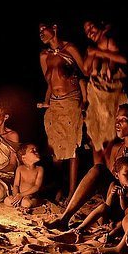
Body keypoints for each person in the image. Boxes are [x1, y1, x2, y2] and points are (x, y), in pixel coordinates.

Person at [45, 104, 128, 230]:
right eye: (117, 119)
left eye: (123, 120)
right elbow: (111, 177)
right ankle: (64, 219)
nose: (118, 123)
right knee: (98, 169)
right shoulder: (116, 148)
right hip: (115, 198)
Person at [37, 23, 86, 204]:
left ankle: (73, 191)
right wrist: (46, 101)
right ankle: (61, 185)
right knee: (55, 150)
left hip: (72, 99)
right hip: (55, 103)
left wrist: (85, 98)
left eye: (44, 29)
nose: (41, 34)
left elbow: (85, 72)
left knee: (71, 146)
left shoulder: (70, 48)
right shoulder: (44, 55)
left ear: (55, 27)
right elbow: (49, 81)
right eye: (39, 32)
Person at [82, 20, 128, 161]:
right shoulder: (92, 49)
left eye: (91, 26)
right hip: (97, 98)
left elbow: (123, 60)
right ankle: (98, 169)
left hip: (112, 97)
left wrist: (99, 52)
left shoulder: (110, 42)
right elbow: (85, 70)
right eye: (86, 31)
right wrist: (93, 54)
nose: (90, 32)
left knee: (111, 137)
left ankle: (113, 168)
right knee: (96, 137)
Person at [69, 157, 128, 236]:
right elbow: (107, 205)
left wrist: (122, 197)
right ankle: (81, 228)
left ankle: (110, 234)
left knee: (121, 223)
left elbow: (125, 210)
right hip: (108, 218)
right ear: (117, 175)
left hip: (122, 221)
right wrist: (111, 195)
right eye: (126, 174)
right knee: (103, 206)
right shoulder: (114, 185)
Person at [4, 143, 45, 211]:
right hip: (19, 195)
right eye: (32, 151)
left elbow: (37, 186)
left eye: (36, 150)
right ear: (24, 157)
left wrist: (22, 195)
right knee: (7, 200)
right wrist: (16, 196)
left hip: (30, 197)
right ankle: (19, 204)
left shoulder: (39, 169)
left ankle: (31, 204)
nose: (36, 151)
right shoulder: (20, 169)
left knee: (26, 203)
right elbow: (16, 185)